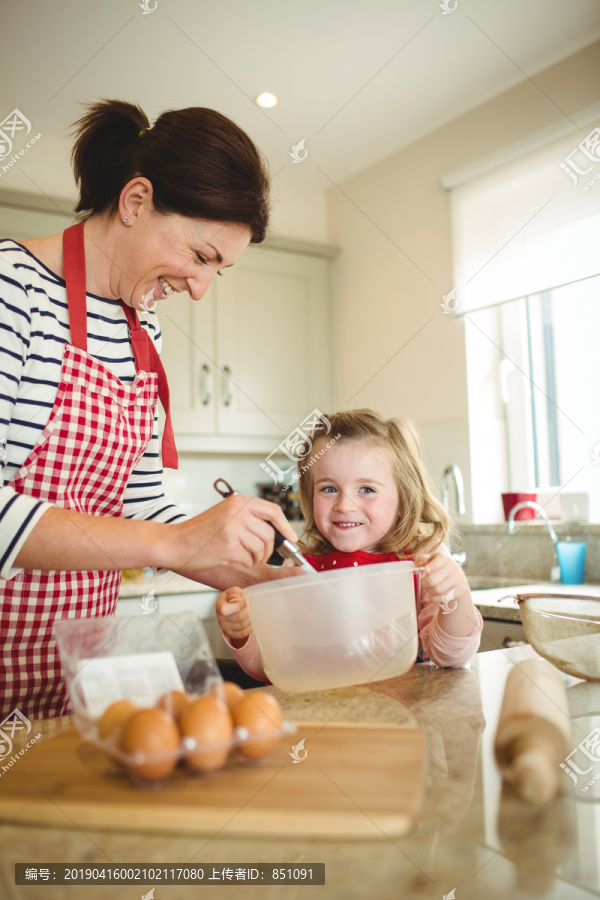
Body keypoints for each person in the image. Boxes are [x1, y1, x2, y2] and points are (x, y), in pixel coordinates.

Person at [0, 99, 300, 719]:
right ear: (135, 202)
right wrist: (172, 545)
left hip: (68, 685)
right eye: (200, 255)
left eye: (220, 269)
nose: (200, 287)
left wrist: (261, 583)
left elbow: (138, 507)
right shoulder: (12, 291)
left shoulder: (144, 333)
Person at [216, 409, 483, 680]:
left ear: (403, 500)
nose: (344, 505)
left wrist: (456, 594)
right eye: (329, 489)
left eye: (366, 489)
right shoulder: (297, 566)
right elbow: (270, 668)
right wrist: (242, 633)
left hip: (403, 713)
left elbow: (451, 657)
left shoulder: (422, 560)